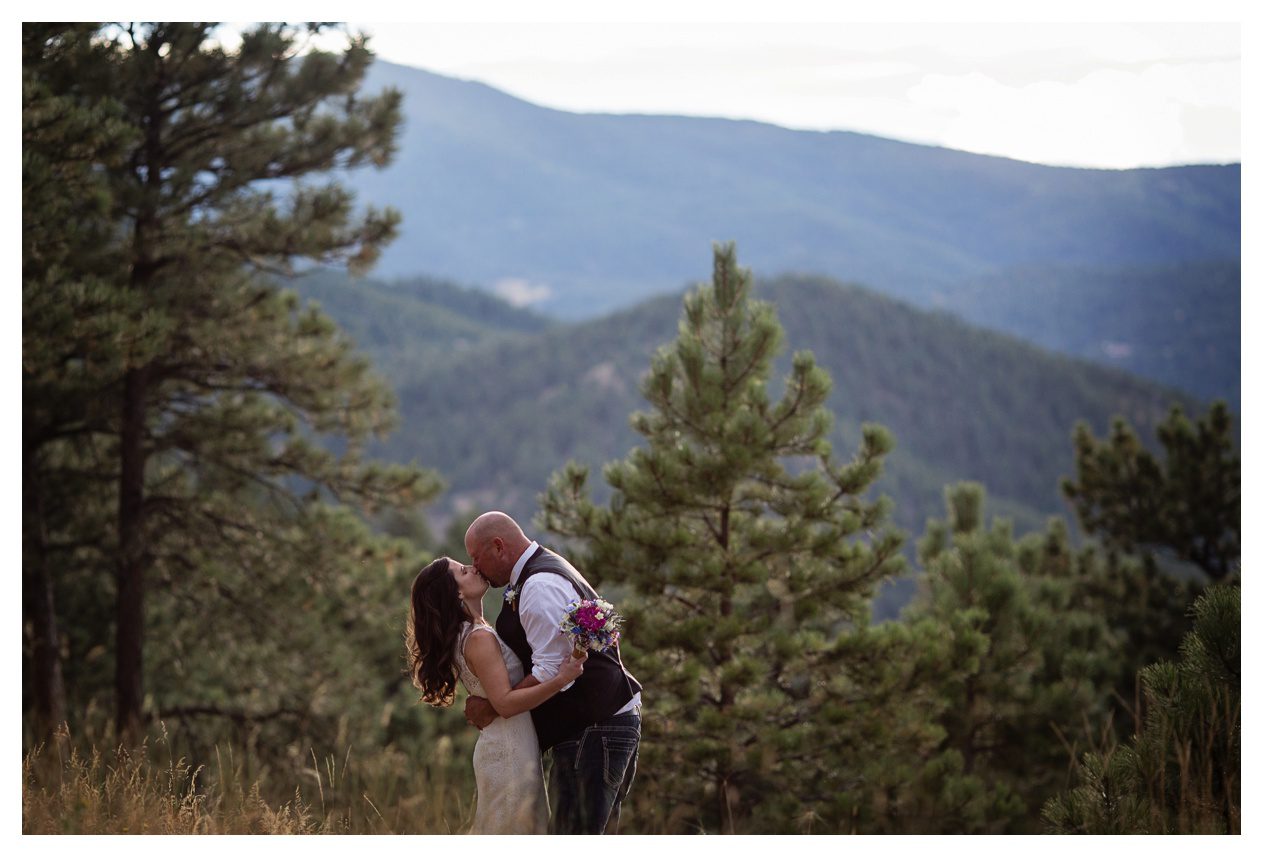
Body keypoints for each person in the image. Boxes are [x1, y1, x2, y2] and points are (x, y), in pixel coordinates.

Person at [464, 511, 642, 835]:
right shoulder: (534, 575)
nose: (476, 568)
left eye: (476, 558)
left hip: (594, 729)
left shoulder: (539, 585)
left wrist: (495, 706)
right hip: (600, 725)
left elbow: (551, 671)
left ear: (499, 547)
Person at [406, 555, 587, 834]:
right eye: (464, 571)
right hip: (509, 750)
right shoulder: (478, 638)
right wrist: (561, 678)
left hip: (510, 744)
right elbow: (504, 704)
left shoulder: (474, 631)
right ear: (457, 592)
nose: (474, 568)